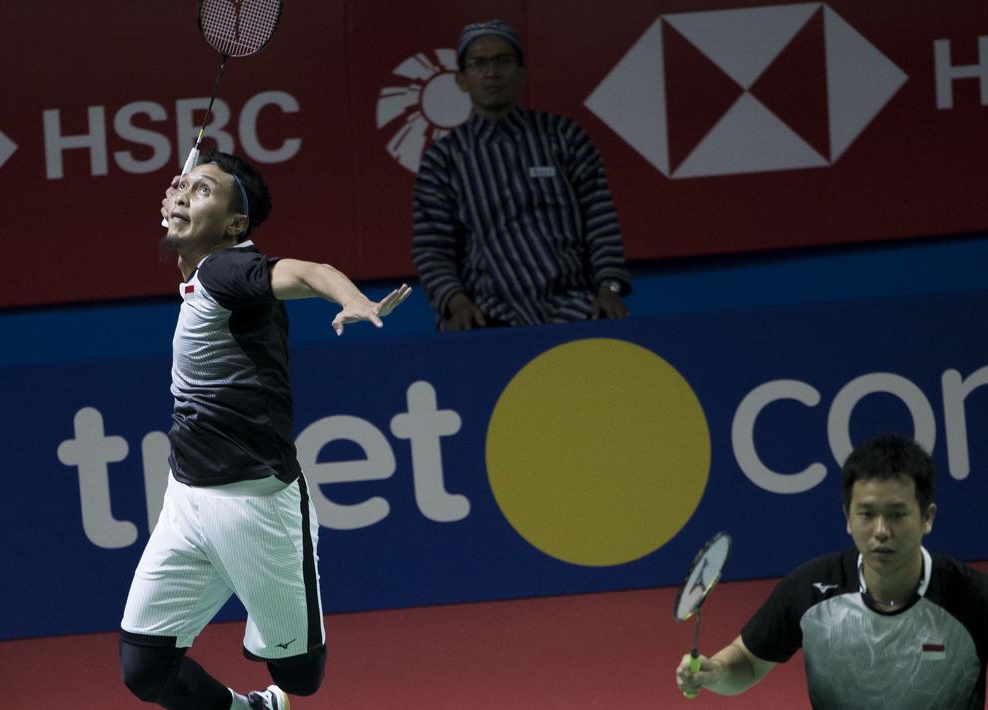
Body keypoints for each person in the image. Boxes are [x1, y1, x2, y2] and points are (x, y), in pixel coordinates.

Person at [120, 150, 410, 710]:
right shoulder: (203, 273)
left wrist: (352, 299)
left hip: (256, 502)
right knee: (145, 668)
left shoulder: (228, 269)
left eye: (203, 192)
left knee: (299, 676)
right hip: (188, 498)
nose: (183, 195)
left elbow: (306, 271)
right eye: (183, 187)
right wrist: (187, 207)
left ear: (235, 225)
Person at [676, 435, 988, 709]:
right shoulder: (809, 589)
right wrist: (716, 671)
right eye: (867, 514)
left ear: (927, 518)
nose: (880, 531)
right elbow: (746, 663)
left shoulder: (975, 597)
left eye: (896, 515)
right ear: (847, 518)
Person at [411, 19, 631, 330]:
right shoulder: (443, 159)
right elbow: (432, 247)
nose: (491, 73)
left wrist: (609, 288)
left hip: (574, 306)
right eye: (479, 63)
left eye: (503, 61)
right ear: (461, 79)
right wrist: (455, 302)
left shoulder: (564, 137)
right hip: (487, 312)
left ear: (522, 73)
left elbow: (601, 220)